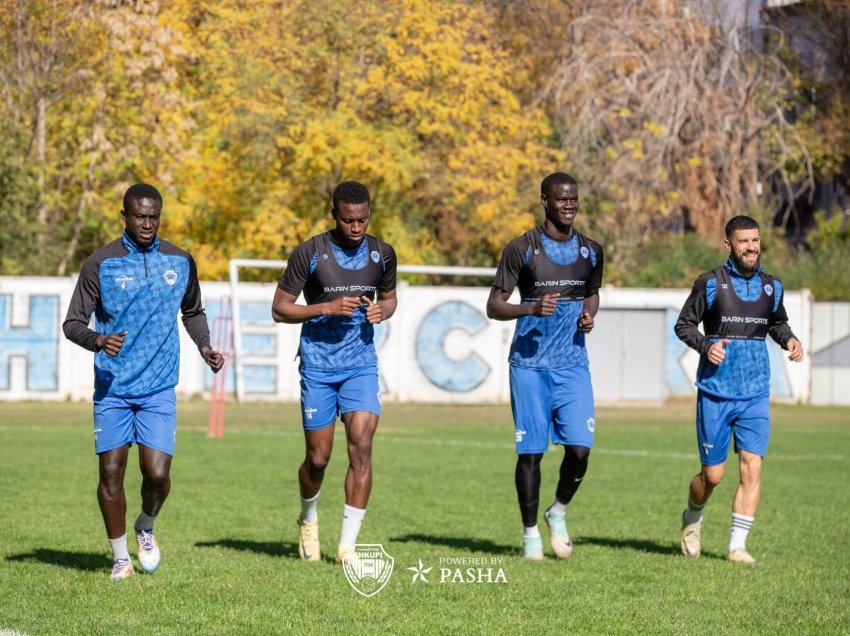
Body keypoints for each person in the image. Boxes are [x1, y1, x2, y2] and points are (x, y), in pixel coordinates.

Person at [63, 184, 224, 580]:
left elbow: (193, 311)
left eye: (154, 217)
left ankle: (146, 526)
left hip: (158, 387)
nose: (147, 223)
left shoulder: (180, 260)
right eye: (139, 216)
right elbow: (71, 325)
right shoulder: (100, 264)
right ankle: (120, 559)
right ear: (125, 216)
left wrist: (204, 346)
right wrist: (99, 340)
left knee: (157, 474)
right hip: (113, 389)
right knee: (112, 474)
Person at [271, 181, 397, 564]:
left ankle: (347, 547)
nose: (355, 227)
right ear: (334, 215)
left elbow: (389, 299)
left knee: (362, 442)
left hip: (360, 363)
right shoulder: (310, 253)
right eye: (347, 220)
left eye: (362, 219)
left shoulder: (382, 254)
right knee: (319, 459)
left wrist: (382, 311)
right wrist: (325, 308)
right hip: (319, 366)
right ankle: (308, 517)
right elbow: (280, 308)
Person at [486, 172, 603, 560]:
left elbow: (592, 294)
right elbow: (495, 305)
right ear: (544, 201)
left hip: (572, 364)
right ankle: (530, 534)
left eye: (574, 199)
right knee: (531, 454)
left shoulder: (591, 251)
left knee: (580, 450)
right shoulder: (522, 248)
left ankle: (559, 510)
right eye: (561, 199)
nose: (569, 205)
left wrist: (588, 315)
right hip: (530, 365)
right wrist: (531, 307)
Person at [675, 215, 804, 564]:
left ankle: (737, 547)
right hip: (715, 391)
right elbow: (684, 324)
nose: (752, 247)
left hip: (756, 392)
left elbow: (777, 323)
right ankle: (692, 517)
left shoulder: (771, 286)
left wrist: (789, 339)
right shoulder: (711, 283)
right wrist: (706, 346)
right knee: (713, 476)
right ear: (729, 245)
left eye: (756, 240)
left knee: (752, 468)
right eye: (744, 241)